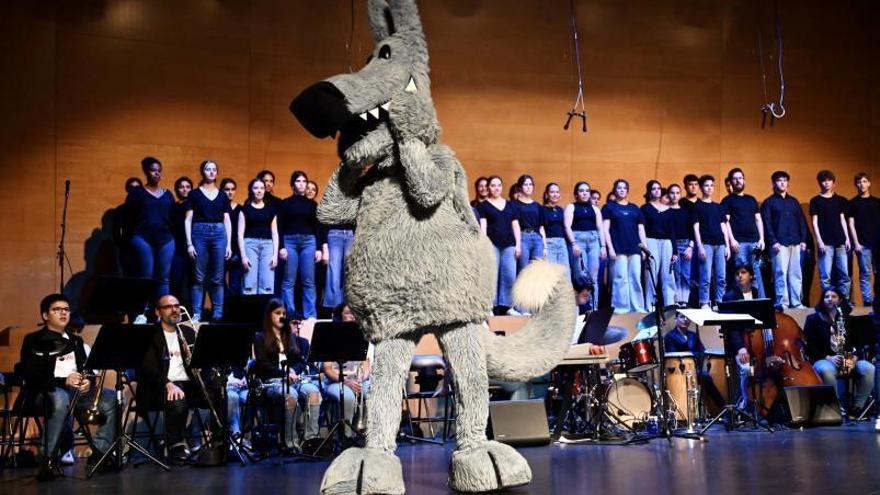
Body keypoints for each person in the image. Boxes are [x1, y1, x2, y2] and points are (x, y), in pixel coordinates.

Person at [17, 294, 117, 470]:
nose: (63, 313)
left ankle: (100, 454)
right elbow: (30, 372)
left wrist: (87, 382)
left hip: (75, 395)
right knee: (60, 397)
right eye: (57, 309)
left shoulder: (76, 341)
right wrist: (64, 381)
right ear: (45, 315)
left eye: (66, 309)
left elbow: (86, 370)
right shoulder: (33, 339)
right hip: (44, 394)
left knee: (110, 398)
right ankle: (48, 458)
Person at [135, 294, 213, 464]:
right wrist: (167, 384)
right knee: (178, 396)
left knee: (217, 392)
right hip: (158, 387)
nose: (175, 310)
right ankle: (175, 444)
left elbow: (202, 362)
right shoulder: (150, 335)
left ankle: (212, 440)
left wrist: (203, 367)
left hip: (188, 384)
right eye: (169, 307)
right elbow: (148, 369)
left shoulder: (188, 332)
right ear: (158, 312)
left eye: (177, 306)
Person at [252, 299, 321, 448]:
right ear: (269, 315)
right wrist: (284, 373)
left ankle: (311, 440)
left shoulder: (290, 336)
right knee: (291, 396)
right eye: (278, 313)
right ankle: (291, 442)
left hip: (293, 380)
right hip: (271, 383)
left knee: (314, 393)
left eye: (283, 313)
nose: (281, 316)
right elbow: (264, 365)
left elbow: (301, 361)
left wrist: (294, 371)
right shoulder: (260, 337)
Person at [804, 288, 875, 417]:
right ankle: (835, 407)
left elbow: (858, 343)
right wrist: (828, 357)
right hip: (823, 359)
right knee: (827, 371)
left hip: (847, 359)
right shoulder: (813, 319)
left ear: (840, 300)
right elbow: (810, 346)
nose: (830, 299)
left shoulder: (847, 319)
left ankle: (857, 408)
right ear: (822, 300)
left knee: (869, 368)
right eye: (826, 296)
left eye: (834, 296)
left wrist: (855, 357)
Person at [185, 160, 232, 322]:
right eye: (208, 169)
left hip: (219, 233)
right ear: (202, 172)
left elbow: (227, 220)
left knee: (218, 277)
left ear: (217, 173)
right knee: (198, 277)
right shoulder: (195, 194)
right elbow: (187, 220)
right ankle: (197, 313)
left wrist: (229, 244)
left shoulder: (222, 195)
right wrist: (189, 243)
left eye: (214, 170)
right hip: (199, 232)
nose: (211, 172)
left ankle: (218, 313)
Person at [126, 157, 175, 299]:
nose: (157, 174)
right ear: (147, 172)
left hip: (165, 239)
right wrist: (131, 237)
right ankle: (143, 311)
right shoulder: (137, 193)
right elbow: (128, 216)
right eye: (153, 170)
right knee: (146, 276)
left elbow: (173, 218)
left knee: (164, 278)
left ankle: (162, 313)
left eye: (159, 171)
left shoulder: (168, 194)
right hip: (143, 238)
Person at [322, 305, 372, 439]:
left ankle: (367, 433)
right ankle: (347, 437)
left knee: (373, 392)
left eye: (355, 313)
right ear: (340, 317)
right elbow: (327, 369)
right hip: (337, 381)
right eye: (349, 313)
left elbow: (366, 364)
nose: (353, 316)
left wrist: (362, 379)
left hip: (358, 379)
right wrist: (346, 381)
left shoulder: (362, 335)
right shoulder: (330, 337)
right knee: (348, 397)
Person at [761, 171, 808, 309]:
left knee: (796, 273)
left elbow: (802, 222)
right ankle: (783, 302)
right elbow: (767, 224)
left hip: (796, 242)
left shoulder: (794, 202)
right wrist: (773, 241)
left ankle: (796, 301)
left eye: (785, 180)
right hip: (779, 243)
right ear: (774, 183)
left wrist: (803, 240)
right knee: (780, 272)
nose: (782, 183)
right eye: (779, 180)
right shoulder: (769, 202)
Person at [278, 170, 321, 319]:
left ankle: (310, 316)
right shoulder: (285, 204)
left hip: (309, 242)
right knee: (289, 280)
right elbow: (280, 227)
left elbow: (317, 227)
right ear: (292, 185)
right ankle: (289, 313)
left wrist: (319, 249)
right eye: (298, 181)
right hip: (289, 241)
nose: (302, 184)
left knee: (308, 280)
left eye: (304, 181)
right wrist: (281, 247)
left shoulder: (312, 205)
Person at [663, 312, 727, 408]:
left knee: (706, 377)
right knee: (704, 376)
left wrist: (694, 355)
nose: (685, 320)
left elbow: (702, 351)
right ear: (676, 319)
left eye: (687, 317)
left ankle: (722, 407)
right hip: (680, 370)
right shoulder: (670, 336)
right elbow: (673, 354)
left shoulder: (693, 335)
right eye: (682, 317)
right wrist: (693, 353)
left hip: (695, 369)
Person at [602, 179, 647, 314]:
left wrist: (644, 248)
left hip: (634, 248)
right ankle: (620, 309)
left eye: (624, 188)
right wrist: (610, 248)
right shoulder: (609, 207)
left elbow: (641, 229)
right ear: (615, 190)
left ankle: (637, 308)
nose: (621, 190)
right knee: (620, 279)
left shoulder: (634, 208)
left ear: (627, 191)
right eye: (619, 188)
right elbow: (605, 229)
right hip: (618, 248)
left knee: (635, 278)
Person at [478, 176, 521, 315]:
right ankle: (489, 306)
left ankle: (509, 307)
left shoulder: (510, 205)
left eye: (499, 185)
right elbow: (483, 227)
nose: (496, 188)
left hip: (509, 245)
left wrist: (518, 244)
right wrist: (484, 245)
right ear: (488, 188)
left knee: (509, 275)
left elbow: (515, 225)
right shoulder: (483, 205)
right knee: (492, 276)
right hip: (492, 245)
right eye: (493, 185)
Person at [721, 168, 766, 298]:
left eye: (740, 178)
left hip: (754, 242)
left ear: (744, 180)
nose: (738, 181)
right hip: (739, 243)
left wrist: (762, 239)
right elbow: (726, 222)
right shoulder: (727, 200)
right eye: (735, 179)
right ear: (731, 182)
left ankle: (760, 302)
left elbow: (758, 219)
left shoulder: (751, 199)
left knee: (756, 274)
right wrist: (732, 240)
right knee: (741, 275)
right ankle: (742, 302)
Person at [721, 265, 761, 407]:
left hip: (759, 343)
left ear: (750, 275)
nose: (740, 276)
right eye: (737, 273)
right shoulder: (730, 296)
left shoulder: (758, 293)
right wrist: (740, 348)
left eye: (743, 272)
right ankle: (745, 404)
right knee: (745, 369)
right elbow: (731, 327)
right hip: (741, 344)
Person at [810, 169, 851, 297]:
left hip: (840, 241)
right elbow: (814, 222)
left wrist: (847, 238)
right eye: (823, 181)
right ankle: (827, 301)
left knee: (844, 274)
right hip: (825, 243)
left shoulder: (841, 200)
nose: (826, 183)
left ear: (833, 183)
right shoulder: (815, 201)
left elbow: (843, 220)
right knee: (825, 275)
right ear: (819, 183)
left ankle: (844, 301)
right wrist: (819, 241)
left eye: (829, 180)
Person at [565, 181, 605, 310]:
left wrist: (603, 246)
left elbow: (600, 228)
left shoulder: (595, 209)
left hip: (593, 241)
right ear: (576, 194)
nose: (585, 193)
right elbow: (567, 226)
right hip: (578, 240)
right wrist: (573, 243)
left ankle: (593, 308)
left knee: (593, 277)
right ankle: (579, 309)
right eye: (581, 191)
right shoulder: (571, 207)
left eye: (587, 191)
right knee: (580, 277)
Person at [693, 175, 730, 309]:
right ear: (702, 188)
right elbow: (696, 227)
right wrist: (700, 247)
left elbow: (723, 226)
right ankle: (704, 302)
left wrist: (727, 246)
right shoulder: (697, 206)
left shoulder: (718, 206)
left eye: (711, 185)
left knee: (721, 277)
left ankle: (720, 302)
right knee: (706, 276)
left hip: (720, 244)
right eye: (707, 185)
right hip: (706, 244)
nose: (709, 188)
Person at [238, 178, 279, 295]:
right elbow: (240, 233)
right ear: (251, 190)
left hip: (268, 246)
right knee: (249, 283)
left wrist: (275, 255)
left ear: (265, 190)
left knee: (267, 284)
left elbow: (275, 233)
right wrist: (243, 256)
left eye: (261, 188)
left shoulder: (271, 210)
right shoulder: (245, 209)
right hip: (249, 245)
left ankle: (264, 312)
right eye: (256, 188)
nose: (259, 191)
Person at [641, 180, 676, 311]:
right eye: (653, 189)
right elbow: (642, 229)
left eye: (658, 188)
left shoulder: (668, 210)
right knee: (651, 273)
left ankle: (670, 305)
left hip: (666, 242)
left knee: (668, 274)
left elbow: (672, 231)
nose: (657, 191)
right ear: (649, 192)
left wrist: (675, 252)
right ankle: (650, 306)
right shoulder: (645, 209)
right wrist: (644, 247)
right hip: (651, 241)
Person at [847, 172, 880, 306]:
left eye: (865, 181)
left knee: (878, 273)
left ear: (869, 183)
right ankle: (868, 302)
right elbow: (851, 224)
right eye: (859, 182)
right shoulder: (852, 203)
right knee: (865, 274)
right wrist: (856, 243)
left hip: (878, 244)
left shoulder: (877, 202)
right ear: (856, 185)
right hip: (863, 244)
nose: (862, 184)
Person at [667, 184, 695, 306]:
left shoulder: (686, 212)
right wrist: (673, 250)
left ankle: (685, 300)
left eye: (677, 192)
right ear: (668, 194)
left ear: (680, 194)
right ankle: (678, 300)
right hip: (673, 245)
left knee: (686, 274)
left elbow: (692, 230)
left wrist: (691, 247)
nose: (675, 195)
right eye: (672, 193)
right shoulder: (666, 212)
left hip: (686, 244)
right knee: (676, 274)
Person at [169, 176, 194, 310]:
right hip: (176, 247)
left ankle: (190, 310)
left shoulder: (195, 205)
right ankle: (175, 309)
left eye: (187, 187)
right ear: (177, 189)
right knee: (176, 280)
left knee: (192, 281)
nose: (184, 189)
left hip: (192, 247)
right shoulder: (173, 206)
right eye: (181, 187)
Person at [513, 175, 545, 273]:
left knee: (537, 270)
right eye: (525, 184)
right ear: (520, 187)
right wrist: (517, 244)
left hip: (537, 238)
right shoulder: (514, 204)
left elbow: (541, 227)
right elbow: (515, 225)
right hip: (523, 237)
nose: (528, 187)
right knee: (523, 270)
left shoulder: (537, 206)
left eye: (530, 184)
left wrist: (545, 246)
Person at [112, 177, 143, 277]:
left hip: (145, 248)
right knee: (128, 276)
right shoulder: (120, 209)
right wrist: (124, 245)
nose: (134, 190)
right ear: (127, 189)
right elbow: (116, 233)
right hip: (128, 249)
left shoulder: (146, 207)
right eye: (132, 187)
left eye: (137, 187)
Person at [541, 183, 570, 278]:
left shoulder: (560, 209)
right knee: (551, 274)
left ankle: (565, 293)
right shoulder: (542, 209)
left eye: (557, 192)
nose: (555, 194)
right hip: (549, 243)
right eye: (552, 192)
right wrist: (545, 246)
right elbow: (541, 228)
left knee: (565, 273)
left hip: (561, 243)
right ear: (546, 194)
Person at [221, 178, 243, 298]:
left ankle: (233, 309)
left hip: (236, 250)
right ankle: (223, 308)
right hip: (220, 248)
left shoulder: (240, 208)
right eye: (227, 189)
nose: (230, 192)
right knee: (219, 280)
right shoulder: (218, 207)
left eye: (232, 189)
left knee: (235, 283)